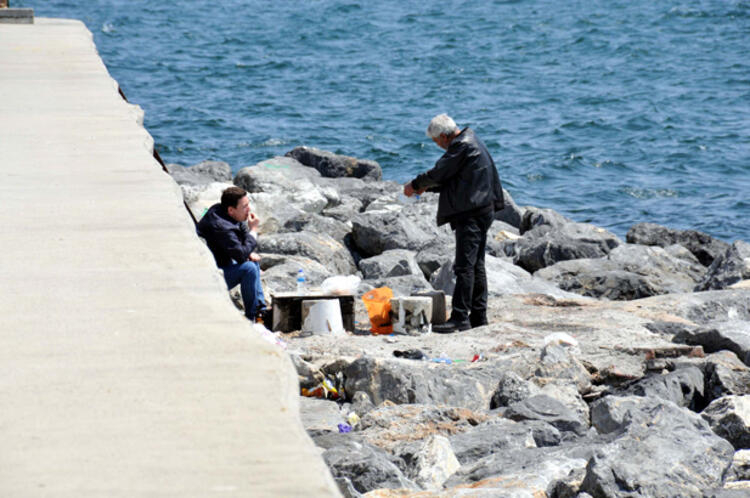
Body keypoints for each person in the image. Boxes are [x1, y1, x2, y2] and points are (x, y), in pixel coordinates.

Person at [404, 114, 504, 333]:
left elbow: (440, 173)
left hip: (472, 213)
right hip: (482, 209)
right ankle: (478, 316)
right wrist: (427, 187)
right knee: (476, 265)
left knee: (464, 266)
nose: (437, 145)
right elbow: (453, 178)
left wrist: (415, 184)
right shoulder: (469, 141)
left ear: (444, 136)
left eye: (436, 141)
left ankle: (460, 317)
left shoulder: (461, 147)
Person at [197, 186, 267, 321]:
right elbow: (240, 255)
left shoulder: (221, 209)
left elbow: (240, 226)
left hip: (222, 261)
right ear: (231, 210)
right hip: (210, 276)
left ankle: (260, 310)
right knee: (250, 269)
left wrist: (248, 251)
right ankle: (251, 318)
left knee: (252, 262)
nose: (249, 210)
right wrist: (253, 230)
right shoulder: (221, 226)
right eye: (244, 207)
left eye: (248, 205)